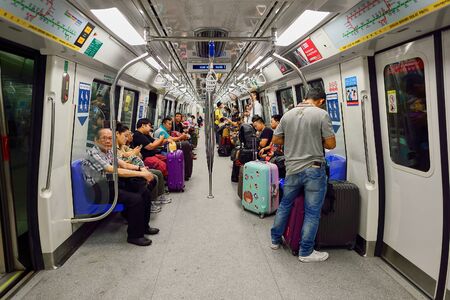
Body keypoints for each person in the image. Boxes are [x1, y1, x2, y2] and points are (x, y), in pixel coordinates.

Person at [270, 88, 336, 262]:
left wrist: (292, 139)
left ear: (306, 98)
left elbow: (276, 140)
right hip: (314, 169)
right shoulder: (321, 115)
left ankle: (275, 240)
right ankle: (306, 252)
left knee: (285, 204)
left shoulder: (288, 115)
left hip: (292, 168)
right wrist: (315, 138)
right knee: (312, 212)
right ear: (320, 101)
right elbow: (331, 144)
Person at [83, 128, 159, 246]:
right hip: (98, 190)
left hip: (110, 184)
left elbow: (123, 164)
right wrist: (142, 174)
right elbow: (114, 170)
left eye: (110, 138)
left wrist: (140, 168)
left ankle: (144, 227)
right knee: (135, 200)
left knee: (144, 192)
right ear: (96, 140)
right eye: (104, 138)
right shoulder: (93, 153)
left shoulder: (108, 151)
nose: (108, 141)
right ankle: (134, 236)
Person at [116, 123, 171, 208]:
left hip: (137, 166)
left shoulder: (123, 146)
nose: (127, 138)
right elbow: (124, 164)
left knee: (158, 172)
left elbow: (139, 154)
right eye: (126, 136)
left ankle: (159, 196)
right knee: (154, 175)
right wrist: (133, 155)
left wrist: (132, 154)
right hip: (130, 170)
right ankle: (150, 202)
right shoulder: (115, 149)